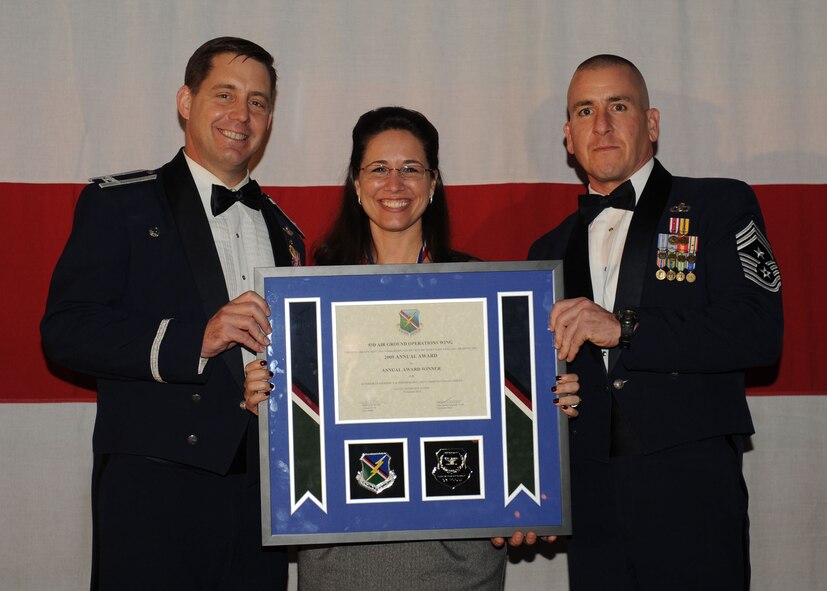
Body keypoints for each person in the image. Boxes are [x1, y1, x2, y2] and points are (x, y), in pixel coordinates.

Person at [243, 106, 580, 590]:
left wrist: (549, 409)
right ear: (356, 185)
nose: (394, 184)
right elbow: (301, 437)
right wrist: (266, 396)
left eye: (411, 169)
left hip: (459, 562)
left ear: (434, 182)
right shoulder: (308, 301)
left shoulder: (487, 293)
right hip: (340, 560)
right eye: (378, 169)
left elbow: (518, 416)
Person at [41, 37, 303, 591]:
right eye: (225, 94)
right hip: (153, 493)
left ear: (271, 118)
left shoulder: (287, 230)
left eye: (257, 102)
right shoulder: (121, 204)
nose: (242, 115)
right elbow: (65, 332)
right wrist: (195, 340)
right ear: (186, 101)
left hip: (262, 500)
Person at [527, 55, 783, 590]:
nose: (601, 124)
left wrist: (625, 328)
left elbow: (759, 330)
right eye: (584, 111)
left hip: (692, 493)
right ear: (568, 138)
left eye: (618, 106)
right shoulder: (546, 249)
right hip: (591, 503)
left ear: (651, 123)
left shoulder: (719, 204)